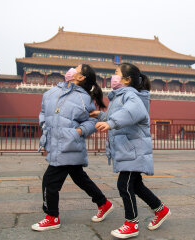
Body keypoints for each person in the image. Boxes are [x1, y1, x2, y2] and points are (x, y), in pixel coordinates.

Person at [90, 63, 171, 239]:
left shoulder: (130, 95)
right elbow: (119, 115)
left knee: (124, 185)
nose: (113, 76)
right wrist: (101, 116)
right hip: (129, 148)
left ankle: (131, 223)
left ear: (127, 80)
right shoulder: (120, 95)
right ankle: (161, 210)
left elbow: (132, 112)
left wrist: (110, 123)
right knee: (136, 185)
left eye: (116, 73)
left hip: (132, 149)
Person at [32, 64, 114, 231]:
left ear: (81, 77)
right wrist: (44, 125)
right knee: (79, 178)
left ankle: (52, 216)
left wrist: (78, 131)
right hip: (55, 142)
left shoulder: (84, 98)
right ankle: (103, 203)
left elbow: (91, 121)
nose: (71, 69)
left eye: (76, 68)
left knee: (50, 181)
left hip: (68, 144)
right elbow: (43, 112)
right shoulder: (52, 92)